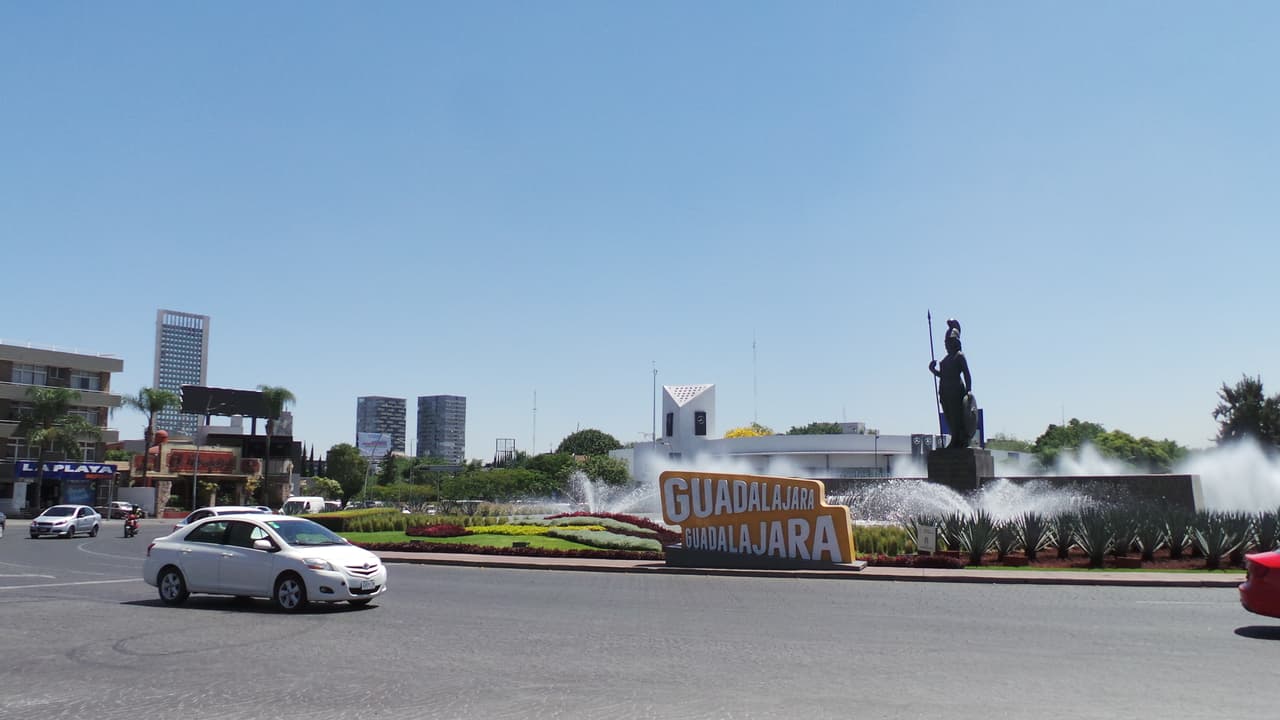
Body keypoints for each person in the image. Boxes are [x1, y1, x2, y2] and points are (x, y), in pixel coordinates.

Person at [928, 318, 973, 448]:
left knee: (956, 415)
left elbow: (966, 374)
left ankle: (958, 439)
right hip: (944, 390)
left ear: (955, 342)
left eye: (948, 342)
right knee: (948, 415)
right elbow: (943, 375)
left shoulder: (959, 356)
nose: (946, 344)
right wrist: (933, 370)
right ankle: (955, 437)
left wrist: (969, 390)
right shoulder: (945, 359)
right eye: (945, 342)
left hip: (956, 390)